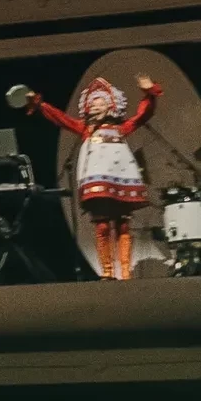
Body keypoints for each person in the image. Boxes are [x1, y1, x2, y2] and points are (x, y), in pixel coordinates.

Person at [10, 71, 161, 283]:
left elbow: (143, 116)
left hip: (121, 179)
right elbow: (61, 119)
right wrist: (40, 104)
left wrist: (149, 94)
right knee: (102, 225)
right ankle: (107, 272)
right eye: (94, 104)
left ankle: (126, 273)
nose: (97, 107)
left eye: (101, 104)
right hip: (97, 181)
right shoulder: (86, 129)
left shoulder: (120, 128)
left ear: (111, 106)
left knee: (122, 225)